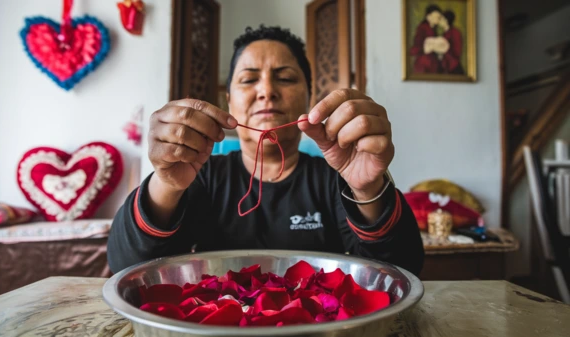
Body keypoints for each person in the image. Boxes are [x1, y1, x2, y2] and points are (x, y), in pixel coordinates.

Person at [107, 26, 424, 276]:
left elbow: (402, 270)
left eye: (285, 78)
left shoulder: (333, 182)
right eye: (248, 80)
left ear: (308, 97)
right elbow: (127, 267)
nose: (267, 91)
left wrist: (368, 186)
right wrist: (165, 183)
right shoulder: (202, 178)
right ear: (228, 100)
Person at [410, 5, 443, 73]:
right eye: (436, 17)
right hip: (424, 62)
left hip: (432, 62)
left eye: (438, 17)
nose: (438, 19)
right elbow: (417, 46)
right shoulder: (422, 28)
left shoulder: (434, 29)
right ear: (428, 17)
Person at [438, 10, 464, 75]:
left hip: (454, 67)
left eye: (441, 19)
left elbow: (457, 52)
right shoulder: (444, 34)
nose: (439, 21)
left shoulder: (455, 32)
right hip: (446, 67)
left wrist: (443, 51)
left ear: (446, 20)